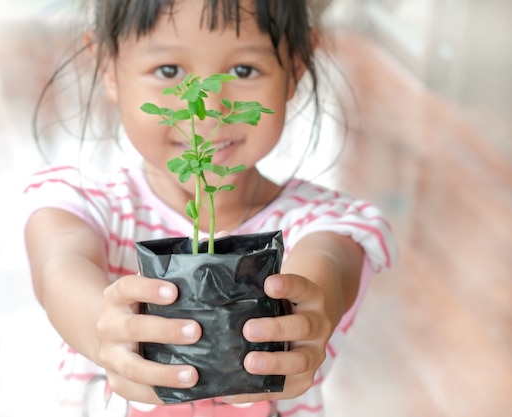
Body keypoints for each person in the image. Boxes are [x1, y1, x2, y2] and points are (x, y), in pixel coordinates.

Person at [23, 1, 397, 416]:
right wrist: (105, 328)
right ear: (108, 67)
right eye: (169, 71)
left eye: (243, 70)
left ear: (294, 66)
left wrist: (303, 315)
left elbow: (326, 266)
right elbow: (60, 267)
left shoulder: (321, 223)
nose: (207, 108)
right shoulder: (85, 203)